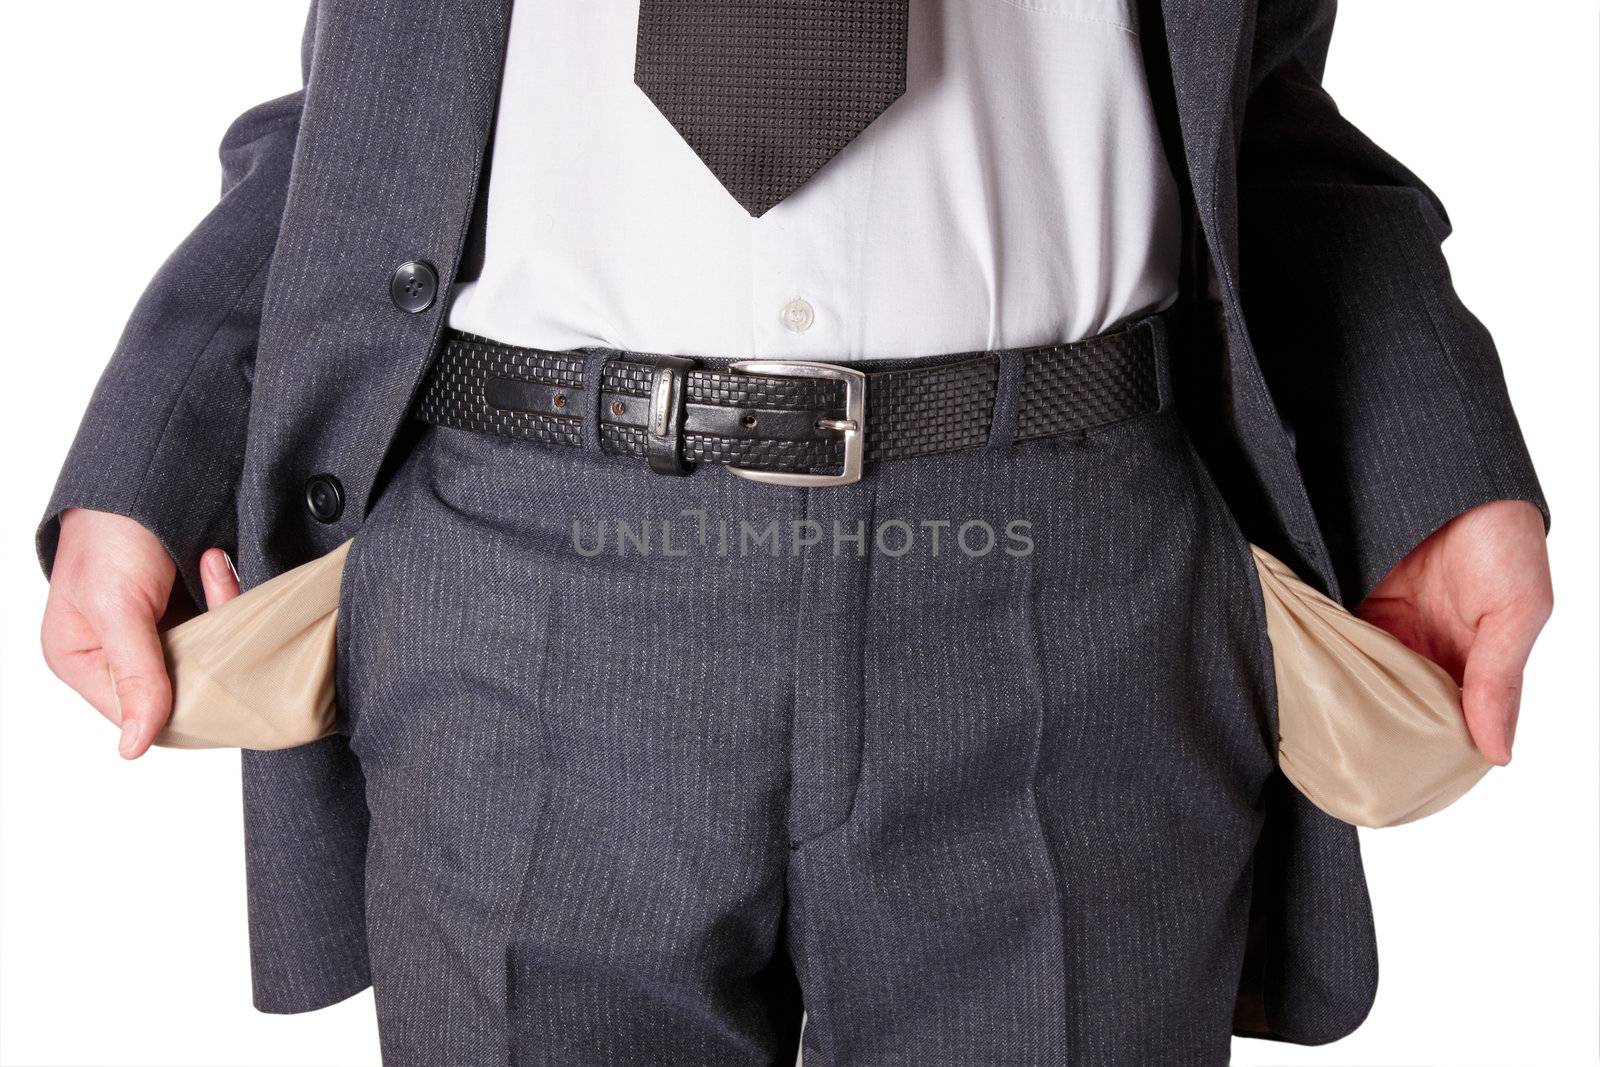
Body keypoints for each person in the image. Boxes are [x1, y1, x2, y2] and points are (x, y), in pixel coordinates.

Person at [36, 1, 1552, 1064]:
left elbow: (1258, 114)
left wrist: (1439, 461)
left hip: (1067, 591)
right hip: (525, 582)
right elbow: (366, 114)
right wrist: (151, 445)